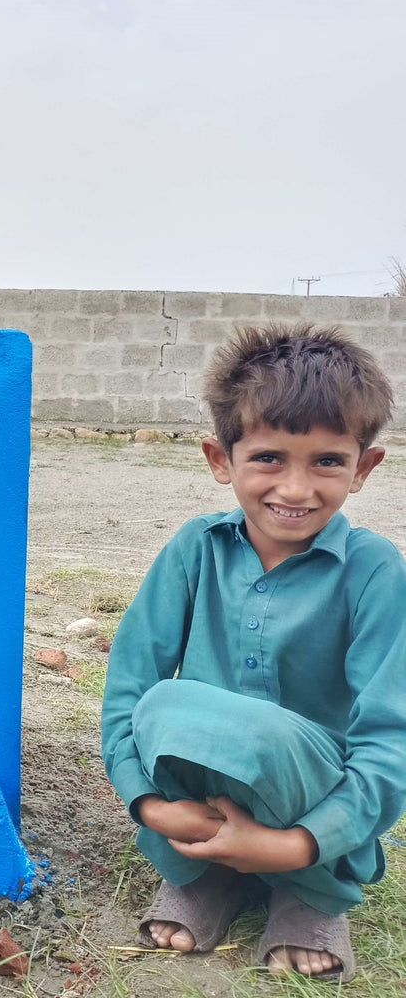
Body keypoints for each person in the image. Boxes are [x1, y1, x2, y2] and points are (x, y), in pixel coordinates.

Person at [101, 323, 406, 981]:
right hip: (193, 797)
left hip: (309, 798)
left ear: (363, 467)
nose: (295, 490)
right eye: (268, 457)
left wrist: (292, 844)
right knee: (164, 706)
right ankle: (203, 874)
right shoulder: (193, 550)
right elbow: (128, 688)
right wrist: (151, 806)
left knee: (258, 733)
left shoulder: (375, 570)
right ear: (220, 460)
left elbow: (389, 740)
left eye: (326, 461)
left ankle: (307, 894)